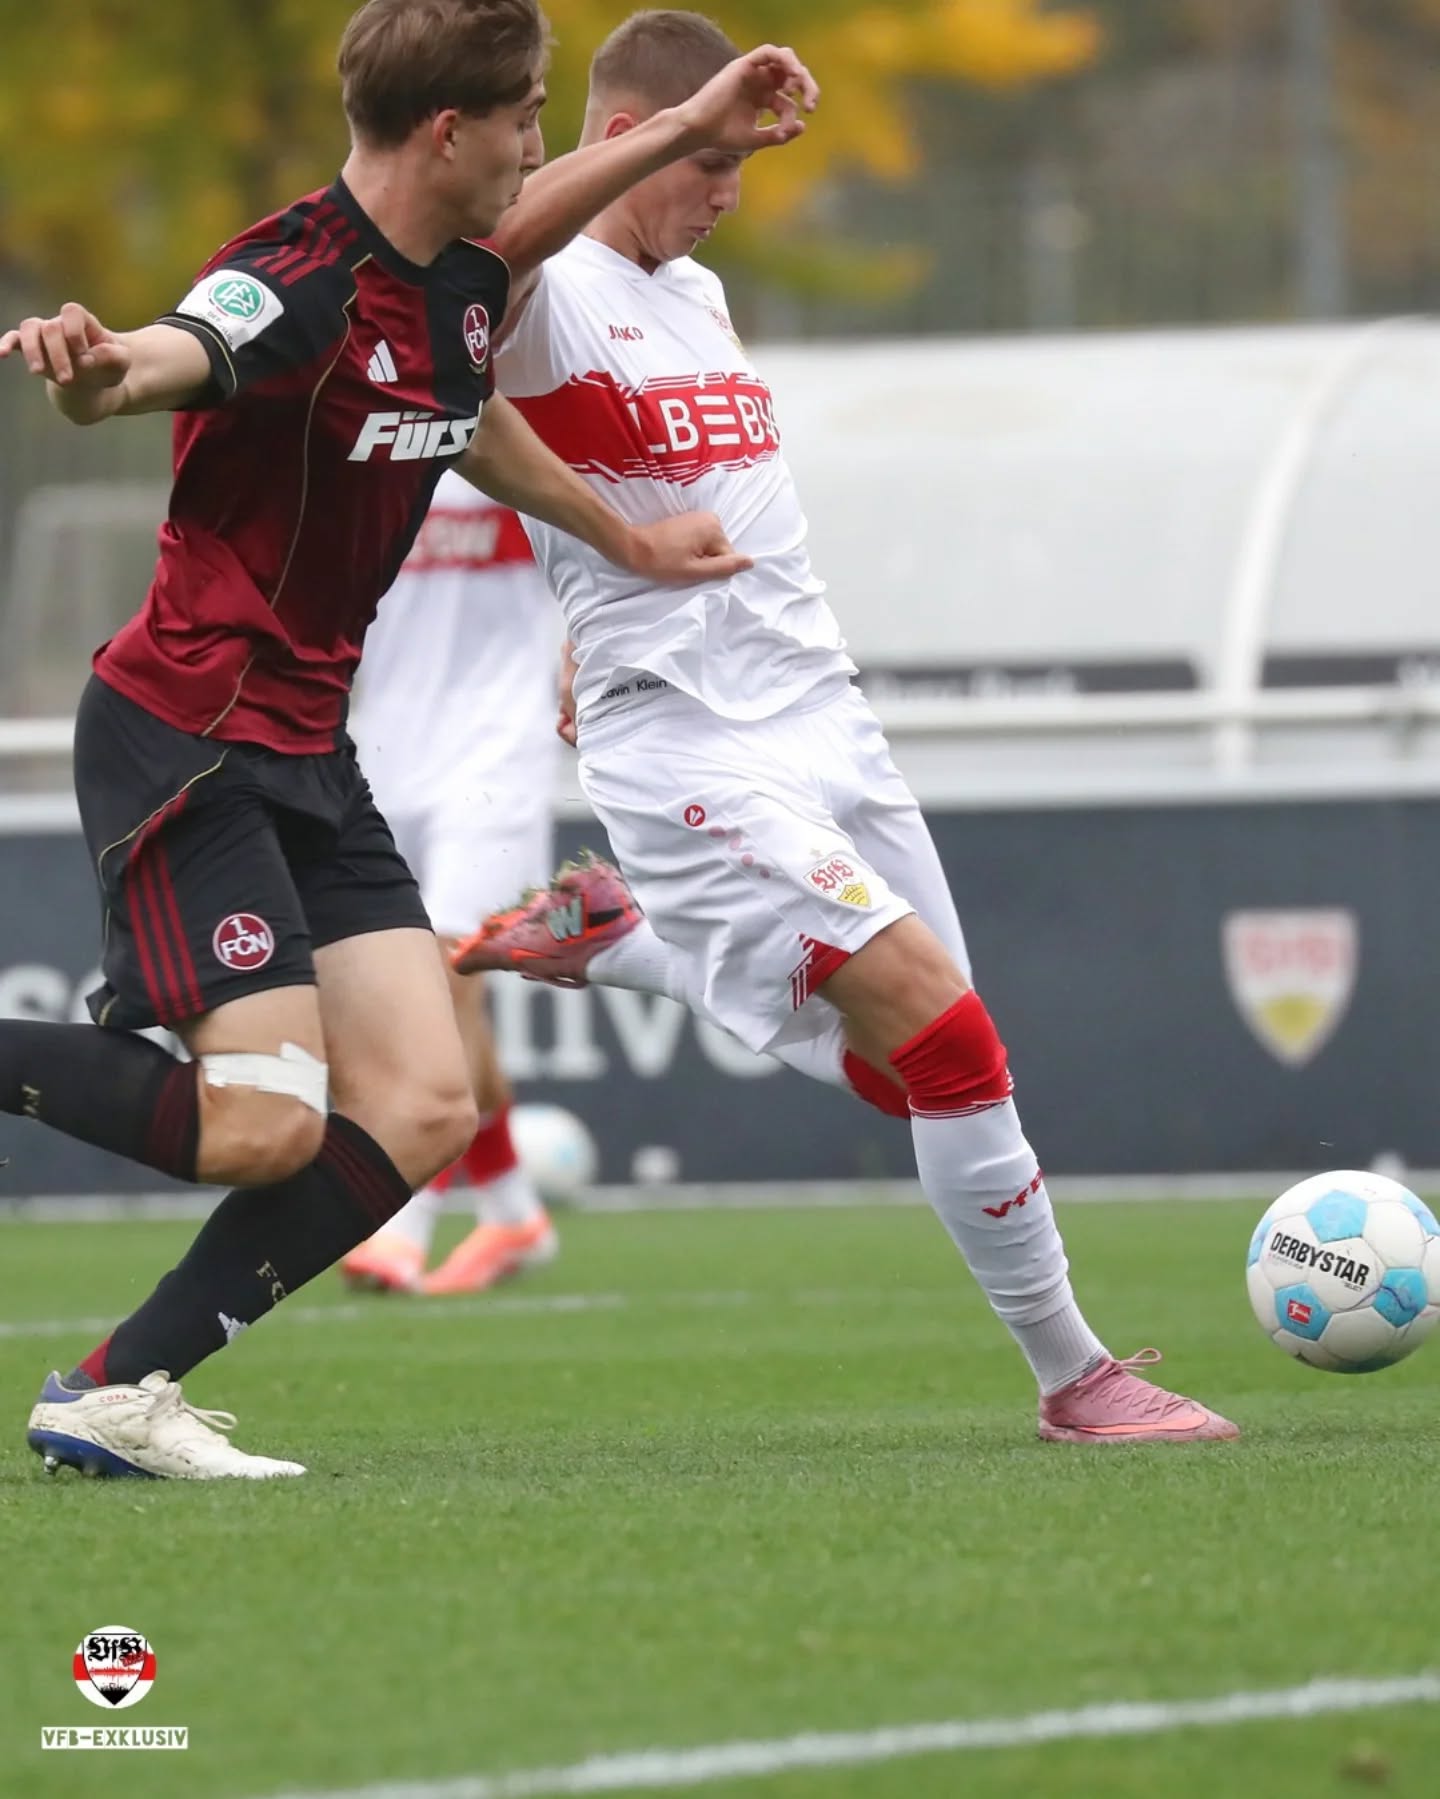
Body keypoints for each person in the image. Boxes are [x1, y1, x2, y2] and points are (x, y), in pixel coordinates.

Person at [0, 0, 816, 1478]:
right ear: (452, 133)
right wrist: (91, 365)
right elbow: (165, 356)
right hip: (191, 726)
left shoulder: (458, 284)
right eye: (522, 120)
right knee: (263, 1126)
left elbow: (461, 413)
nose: (537, 149)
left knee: (428, 1102)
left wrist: (619, 538)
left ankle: (117, 1388)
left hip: (311, 747)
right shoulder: (289, 282)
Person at [455, 8, 1239, 1445]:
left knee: (917, 1066)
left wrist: (586, 604)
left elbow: (664, 487)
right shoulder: (541, 283)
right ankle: (1078, 1378)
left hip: (823, 712)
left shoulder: (689, 293)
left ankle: (628, 942)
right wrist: (604, 620)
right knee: (946, 1040)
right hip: (687, 741)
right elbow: (479, 270)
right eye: (708, 165)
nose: (727, 194)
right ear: (628, 135)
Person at [340, 475, 563, 1295]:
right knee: (428, 987)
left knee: (447, 968)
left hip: (500, 746)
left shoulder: (509, 429)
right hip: (383, 748)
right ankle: (511, 1209)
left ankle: (405, 1218)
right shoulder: (369, 433)